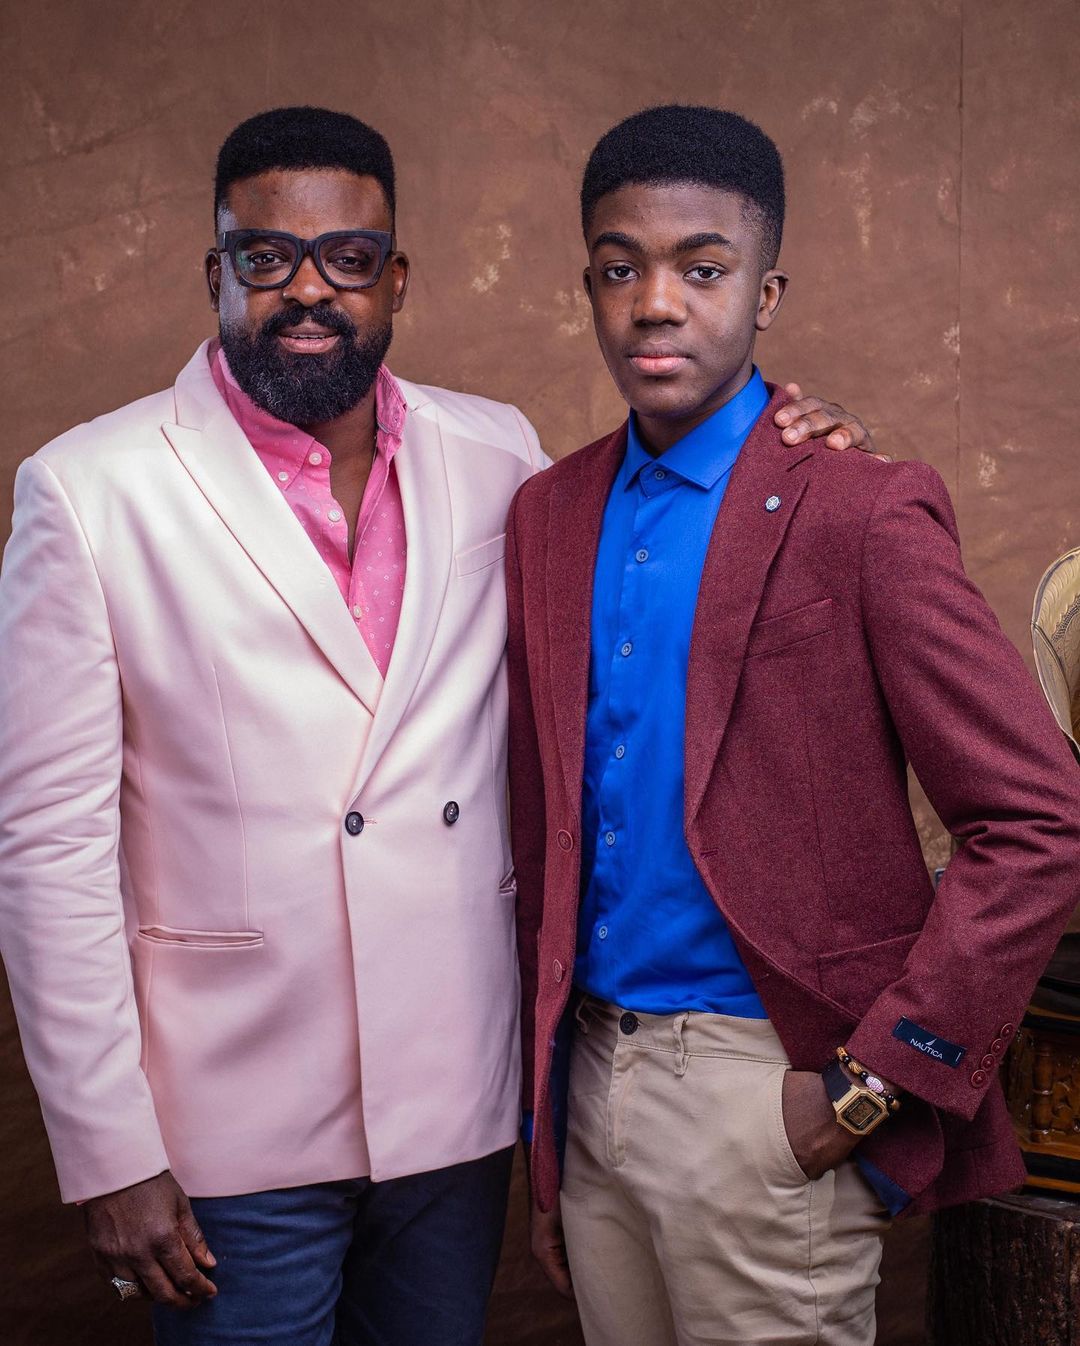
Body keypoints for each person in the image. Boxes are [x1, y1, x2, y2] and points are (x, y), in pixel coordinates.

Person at [0, 105, 878, 1346]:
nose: (310, 289)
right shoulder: (90, 490)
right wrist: (107, 1147)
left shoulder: (497, 452)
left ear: (396, 278)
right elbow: (48, 849)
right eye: (267, 257)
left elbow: (661, 515)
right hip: (224, 1117)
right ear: (217, 273)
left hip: (451, 1103)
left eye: (349, 257)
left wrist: (798, 444)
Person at [506, 104, 1080, 1346]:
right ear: (588, 287)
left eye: (702, 269)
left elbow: (1039, 818)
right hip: (591, 1080)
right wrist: (549, 1129)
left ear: (765, 293)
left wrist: (870, 1084)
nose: (657, 303)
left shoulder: (857, 508)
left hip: (768, 1090)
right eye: (620, 269)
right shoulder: (547, 512)